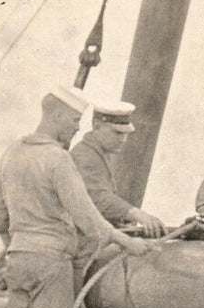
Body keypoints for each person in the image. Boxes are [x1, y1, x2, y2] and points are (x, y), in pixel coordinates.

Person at [0, 85, 149, 308]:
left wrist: (16, 247)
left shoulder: (12, 152)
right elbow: (87, 217)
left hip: (17, 259)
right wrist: (127, 242)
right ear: (58, 116)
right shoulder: (57, 158)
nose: (77, 128)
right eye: (75, 120)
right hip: (51, 263)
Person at [71, 100, 167, 240]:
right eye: (117, 133)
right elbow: (97, 198)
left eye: (126, 134)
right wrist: (137, 214)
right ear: (96, 127)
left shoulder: (100, 153)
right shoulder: (85, 156)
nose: (123, 139)